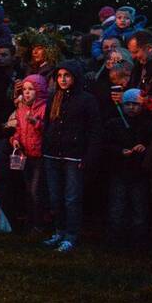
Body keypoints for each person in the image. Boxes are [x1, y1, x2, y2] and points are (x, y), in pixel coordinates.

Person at [42, 60, 101, 253]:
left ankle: (71, 235)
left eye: (66, 75)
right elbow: (47, 124)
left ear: (75, 77)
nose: (62, 79)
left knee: (71, 198)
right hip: (53, 154)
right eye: (59, 76)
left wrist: (89, 155)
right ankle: (59, 231)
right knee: (55, 196)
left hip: (74, 155)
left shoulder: (86, 100)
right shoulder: (54, 98)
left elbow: (94, 130)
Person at [103, 88, 152, 250]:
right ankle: (116, 241)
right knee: (117, 208)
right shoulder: (114, 123)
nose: (132, 107)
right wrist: (119, 151)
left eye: (136, 104)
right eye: (128, 104)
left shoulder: (149, 125)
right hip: (119, 171)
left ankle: (138, 242)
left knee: (139, 208)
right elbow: (106, 145)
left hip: (139, 173)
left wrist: (145, 147)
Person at [9, 75, 49, 234]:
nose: (26, 93)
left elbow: (49, 130)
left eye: (31, 89)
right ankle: (30, 221)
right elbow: (18, 129)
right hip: (25, 154)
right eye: (24, 89)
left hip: (40, 155)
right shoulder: (21, 108)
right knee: (28, 189)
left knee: (36, 190)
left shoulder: (45, 108)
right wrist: (15, 140)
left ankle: (39, 223)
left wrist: (35, 122)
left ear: (38, 91)